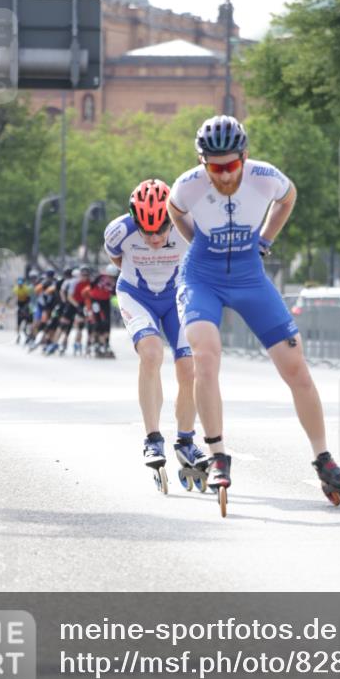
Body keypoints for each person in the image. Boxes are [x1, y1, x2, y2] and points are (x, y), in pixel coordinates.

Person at [167, 115, 340, 505]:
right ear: (201, 162)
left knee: (296, 368)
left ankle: (324, 460)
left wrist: (265, 239)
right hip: (201, 279)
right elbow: (176, 212)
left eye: (230, 166)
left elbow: (288, 197)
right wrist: (196, 242)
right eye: (214, 167)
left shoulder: (264, 176)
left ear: (245, 156)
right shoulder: (188, 185)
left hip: (249, 276)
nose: (223, 176)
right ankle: (218, 454)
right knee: (205, 358)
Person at [104, 178, 206, 478]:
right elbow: (117, 259)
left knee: (189, 368)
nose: (155, 239)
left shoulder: (191, 224)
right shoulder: (118, 232)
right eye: (147, 233)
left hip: (177, 296)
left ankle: (186, 441)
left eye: (161, 231)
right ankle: (152, 438)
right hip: (137, 295)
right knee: (150, 354)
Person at [11, 276, 33, 342]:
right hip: (20, 305)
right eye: (19, 283)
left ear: (23, 283)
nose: (20, 285)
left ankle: (28, 334)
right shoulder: (16, 289)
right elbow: (15, 297)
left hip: (26, 304)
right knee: (18, 323)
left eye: (21, 283)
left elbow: (29, 299)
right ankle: (18, 336)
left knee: (29, 322)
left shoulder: (26, 289)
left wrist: (26, 307)